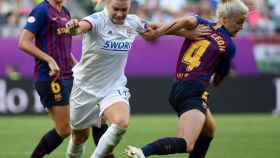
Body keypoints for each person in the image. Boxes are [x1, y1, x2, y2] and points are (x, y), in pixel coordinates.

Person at [64, 0, 210, 158]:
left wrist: (187, 34)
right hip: (85, 87)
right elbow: (78, 27)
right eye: (116, 9)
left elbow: (155, 30)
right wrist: (73, 26)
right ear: (107, 5)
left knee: (121, 122)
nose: (120, 14)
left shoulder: (133, 21)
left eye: (124, 10)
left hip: (113, 86)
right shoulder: (96, 20)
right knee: (79, 137)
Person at [125, 0, 249, 158]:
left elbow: (187, 20)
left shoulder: (202, 24)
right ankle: (143, 152)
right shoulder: (229, 45)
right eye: (239, 22)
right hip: (193, 90)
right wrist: (212, 78)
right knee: (188, 143)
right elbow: (218, 80)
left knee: (209, 130)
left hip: (178, 86)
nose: (241, 27)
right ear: (224, 19)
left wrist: (159, 32)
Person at [18, 0, 113, 157]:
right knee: (64, 130)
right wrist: (49, 60)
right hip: (51, 77)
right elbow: (23, 42)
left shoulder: (65, 12)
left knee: (97, 119)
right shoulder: (42, 10)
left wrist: (78, 67)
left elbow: (63, 48)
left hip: (70, 75)